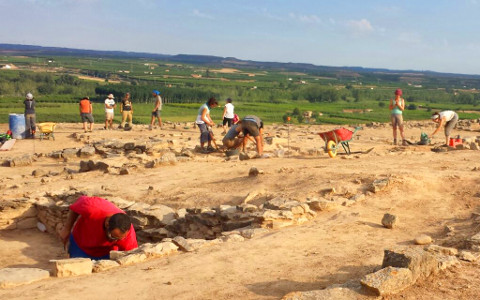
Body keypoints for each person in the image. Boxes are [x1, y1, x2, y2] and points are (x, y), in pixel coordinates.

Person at [59, 195, 138, 260]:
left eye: (119, 239)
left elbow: (130, 256)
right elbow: (76, 206)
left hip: (104, 253)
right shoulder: (93, 207)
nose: (116, 241)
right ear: (107, 224)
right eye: (113, 237)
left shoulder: (127, 234)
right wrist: (66, 228)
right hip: (80, 245)